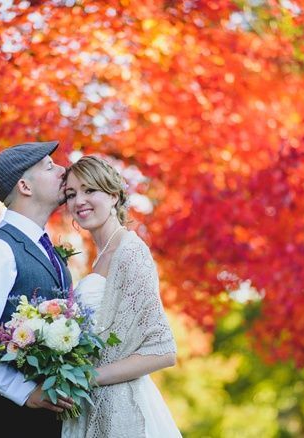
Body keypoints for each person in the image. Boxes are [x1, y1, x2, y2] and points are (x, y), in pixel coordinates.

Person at [0, 141, 75, 437]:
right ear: (25, 186)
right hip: (7, 420)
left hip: (50, 419)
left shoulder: (49, 250)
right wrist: (24, 392)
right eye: (49, 166)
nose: (63, 171)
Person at [61, 155, 181, 437]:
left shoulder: (130, 251)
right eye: (71, 194)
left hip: (124, 410)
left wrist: (86, 378)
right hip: (92, 407)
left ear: (113, 196)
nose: (79, 201)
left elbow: (164, 350)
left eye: (90, 190)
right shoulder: (100, 257)